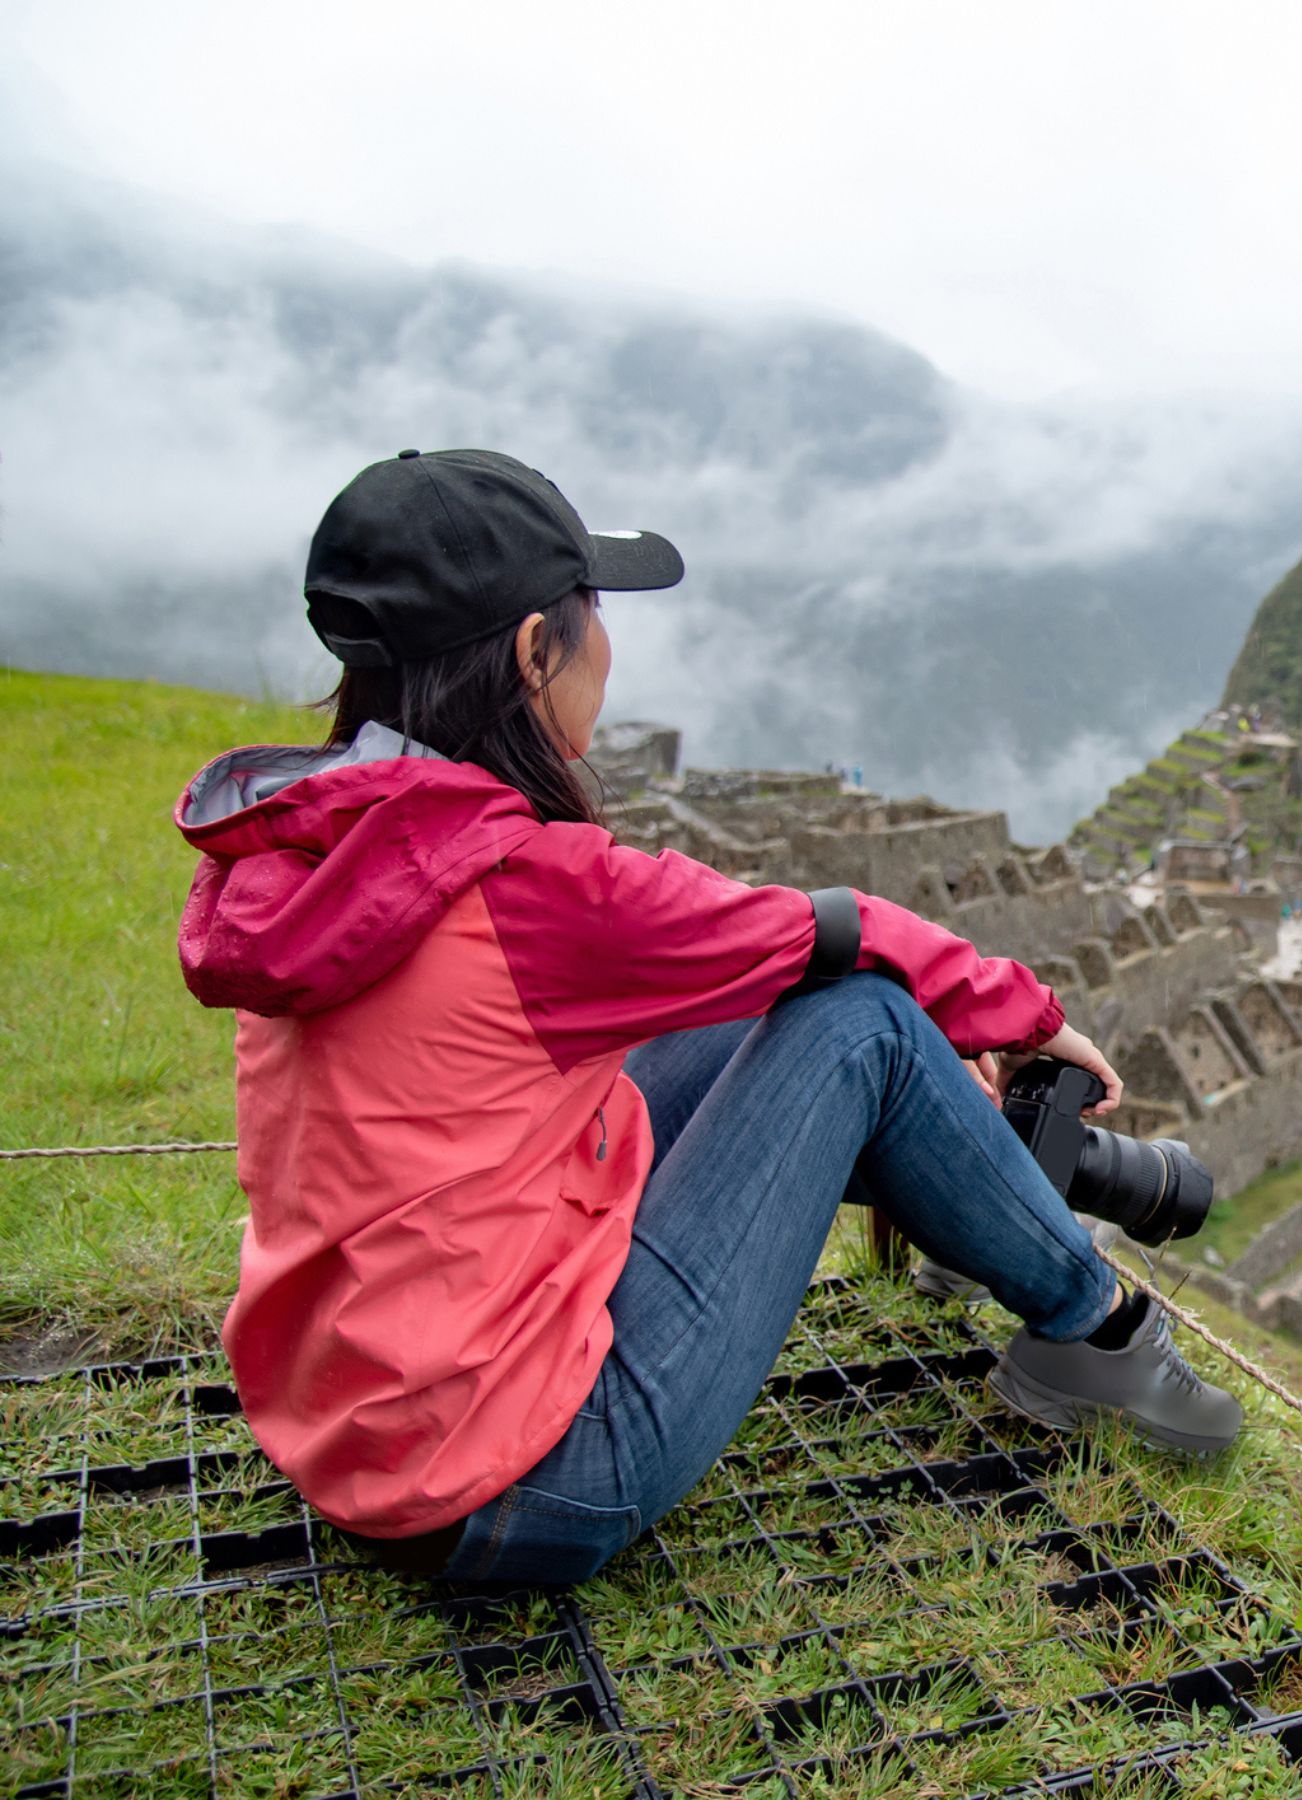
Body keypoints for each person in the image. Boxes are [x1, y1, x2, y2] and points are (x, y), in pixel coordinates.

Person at [173, 449, 1241, 1585]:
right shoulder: (523, 887)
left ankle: (979, 1212)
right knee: (867, 1024)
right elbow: (842, 932)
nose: (604, 646)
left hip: (348, 1423)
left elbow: (762, 956)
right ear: (535, 649)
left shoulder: (314, 849)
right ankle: (1094, 1331)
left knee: (762, 1009)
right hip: (525, 1480)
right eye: (590, 614)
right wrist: (1020, 1013)